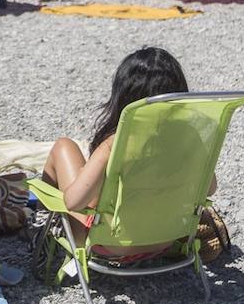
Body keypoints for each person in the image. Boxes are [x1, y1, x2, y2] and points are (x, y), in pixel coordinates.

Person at [41, 47, 208, 254]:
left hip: (111, 245)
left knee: (63, 147)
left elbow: (75, 202)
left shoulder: (116, 144)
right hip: (166, 239)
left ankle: (41, 224)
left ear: (124, 95)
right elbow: (209, 188)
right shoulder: (188, 137)